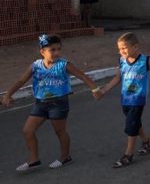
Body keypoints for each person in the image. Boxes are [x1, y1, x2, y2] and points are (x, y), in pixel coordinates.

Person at [1, 34, 102, 171]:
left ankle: (65, 156)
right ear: (42, 52)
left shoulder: (64, 64)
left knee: (60, 131)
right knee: (27, 130)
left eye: (59, 49)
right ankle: (34, 158)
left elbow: (82, 76)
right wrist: (8, 94)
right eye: (52, 50)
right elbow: (21, 81)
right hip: (40, 103)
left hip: (58, 103)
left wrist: (95, 89)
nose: (56, 53)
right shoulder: (36, 66)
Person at [98, 32, 150, 168]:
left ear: (135, 46)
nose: (121, 51)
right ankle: (146, 141)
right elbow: (118, 78)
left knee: (131, 125)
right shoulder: (122, 60)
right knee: (135, 123)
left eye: (124, 48)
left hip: (138, 99)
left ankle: (128, 155)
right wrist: (104, 90)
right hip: (125, 99)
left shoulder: (145, 61)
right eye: (119, 49)